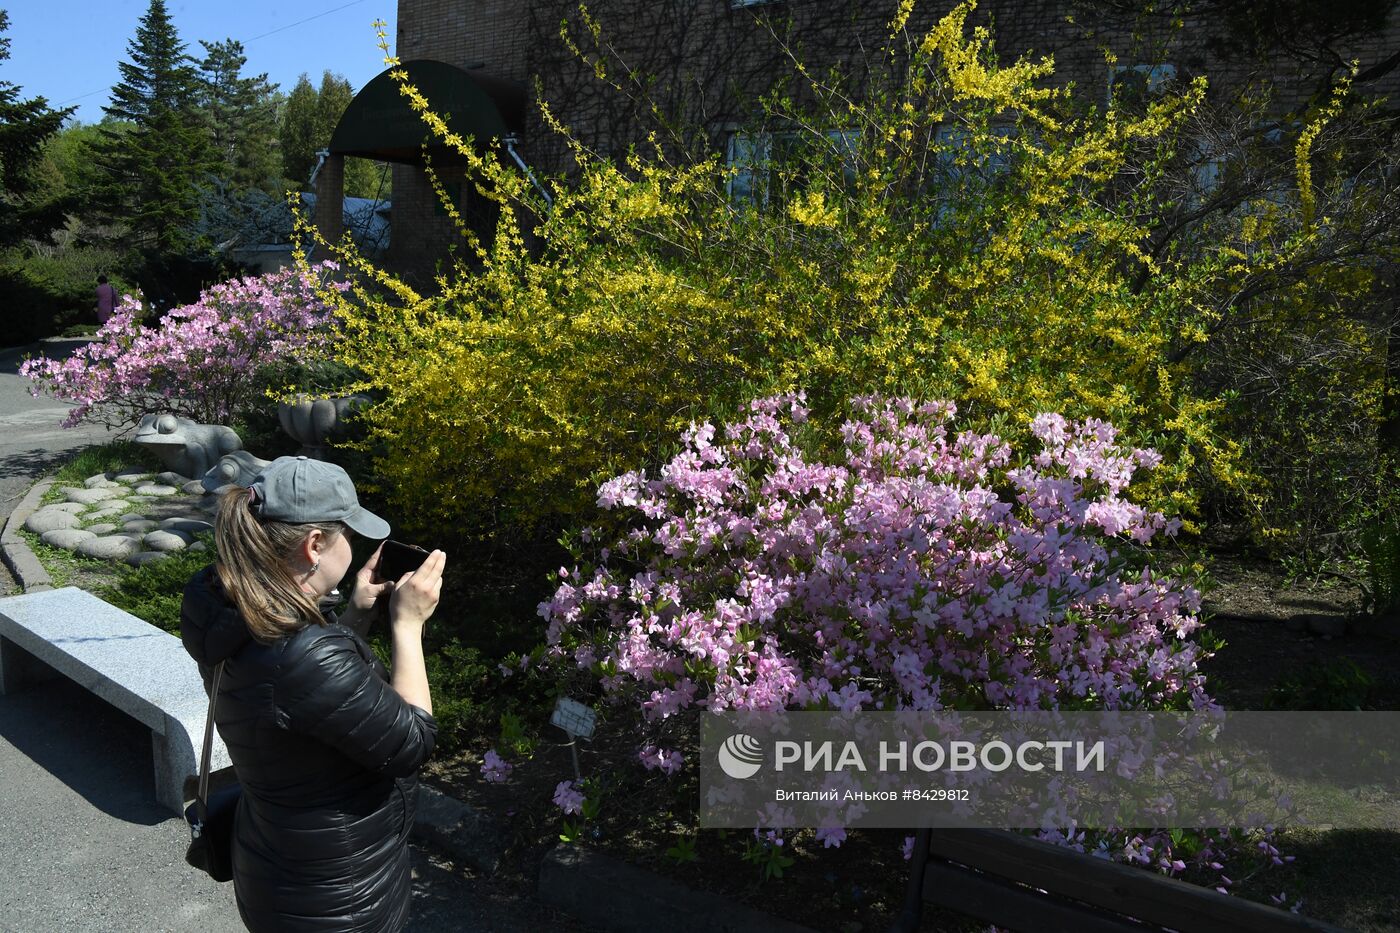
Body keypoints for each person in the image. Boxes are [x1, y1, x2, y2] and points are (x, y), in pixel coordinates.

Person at [180, 455, 445, 933]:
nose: (355, 545)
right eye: (348, 531)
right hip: (337, 899)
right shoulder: (301, 655)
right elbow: (413, 741)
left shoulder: (223, 603)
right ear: (315, 544)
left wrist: (357, 615)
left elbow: (296, 696)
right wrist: (408, 625)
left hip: (275, 864)